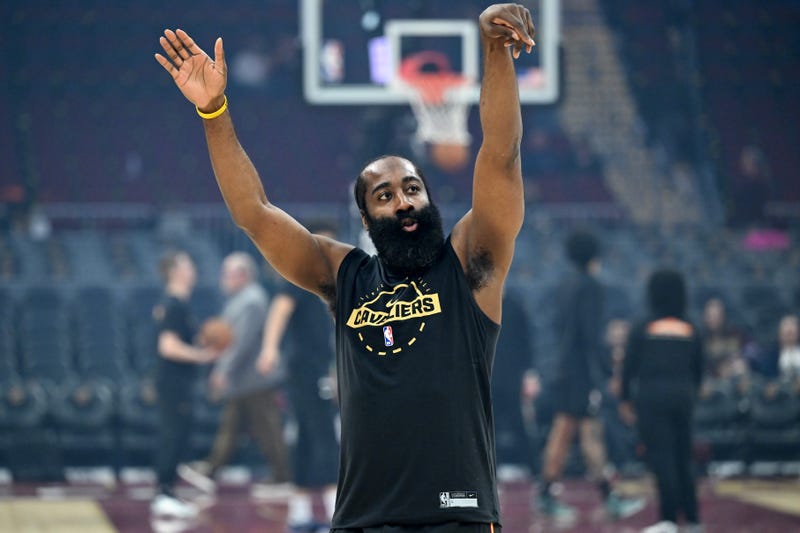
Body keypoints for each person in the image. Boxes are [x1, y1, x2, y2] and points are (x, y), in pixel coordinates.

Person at [155, 4, 534, 530]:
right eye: (385, 195)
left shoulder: (469, 264)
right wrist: (214, 112)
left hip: (458, 515)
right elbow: (255, 214)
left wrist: (495, 50)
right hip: (362, 518)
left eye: (412, 188)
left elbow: (501, 155)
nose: (403, 201)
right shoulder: (346, 276)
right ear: (365, 216)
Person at [536, 230, 643, 521]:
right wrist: (609, 369)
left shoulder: (563, 285)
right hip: (581, 372)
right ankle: (607, 497)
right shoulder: (592, 286)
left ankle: (554, 494)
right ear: (595, 255)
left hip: (563, 368)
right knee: (584, 433)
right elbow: (590, 335)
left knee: (571, 432)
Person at [178, 252, 291, 493]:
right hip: (245, 379)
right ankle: (212, 470)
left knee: (266, 428)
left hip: (256, 378)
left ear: (243, 275)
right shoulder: (240, 299)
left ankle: (282, 476)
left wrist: (222, 370)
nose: (223, 278)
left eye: (228, 274)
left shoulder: (251, 301)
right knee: (233, 427)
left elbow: (240, 343)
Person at [256, 223, 340, 533]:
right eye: (323, 242)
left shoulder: (325, 282)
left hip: (312, 370)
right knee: (325, 440)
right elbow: (279, 307)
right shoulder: (302, 276)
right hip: (306, 371)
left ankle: (300, 514)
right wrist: (269, 349)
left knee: (305, 439)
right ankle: (336, 515)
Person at [620, 269, 705, 533]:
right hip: (684, 398)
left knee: (662, 458)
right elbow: (699, 369)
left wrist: (625, 399)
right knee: (684, 457)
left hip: (652, 399)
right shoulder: (691, 325)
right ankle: (692, 519)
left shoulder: (643, 325)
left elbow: (628, 367)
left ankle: (668, 519)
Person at [150, 250, 219, 518]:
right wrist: (202, 355)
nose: (193, 269)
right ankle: (162, 493)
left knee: (178, 435)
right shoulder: (174, 304)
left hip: (178, 381)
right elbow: (167, 347)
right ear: (175, 271)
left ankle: (167, 490)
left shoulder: (178, 304)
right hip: (173, 382)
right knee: (172, 435)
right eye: (188, 264)